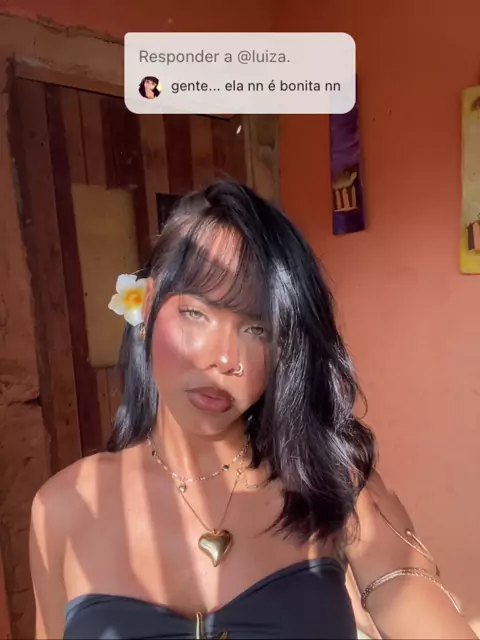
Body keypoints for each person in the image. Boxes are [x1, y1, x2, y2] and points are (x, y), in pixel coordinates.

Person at [29, 181, 476, 640]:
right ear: (147, 307)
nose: (225, 359)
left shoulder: (328, 486)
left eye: (257, 328)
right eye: (196, 313)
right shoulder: (62, 508)